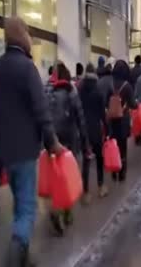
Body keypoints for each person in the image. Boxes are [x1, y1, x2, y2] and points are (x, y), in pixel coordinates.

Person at [0, 17, 63, 266]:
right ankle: (14, 256)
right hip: (25, 150)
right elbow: (41, 109)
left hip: (6, 151)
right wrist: (52, 141)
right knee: (27, 210)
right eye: (29, 32)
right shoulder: (27, 68)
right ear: (22, 35)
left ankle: (24, 256)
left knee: (20, 203)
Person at [47, 62, 89, 235]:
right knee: (68, 176)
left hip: (51, 139)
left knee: (55, 175)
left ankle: (56, 207)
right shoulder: (71, 90)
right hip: (69, 139)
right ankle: (66, 212)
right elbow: (80, 117)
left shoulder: (47, 91)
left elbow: (42, 116)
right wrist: (85, 144)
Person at [78, 63, 109, 204]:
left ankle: (86, 193)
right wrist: (107, 129)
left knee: (86, 160)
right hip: (96, 129)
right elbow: (103, 114)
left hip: (84, 130)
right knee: (100, 159)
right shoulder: (97, 91)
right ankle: (101, 186)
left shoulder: (79, 89)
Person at [106, 60, 138, 182]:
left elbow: (105, 102)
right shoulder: (127, 86)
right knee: (123, 146)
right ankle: (122, 172)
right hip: (123, 120)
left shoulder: (110, 84)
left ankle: (114, 171)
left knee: (114, 145)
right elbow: (133, 104)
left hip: (112, 121)